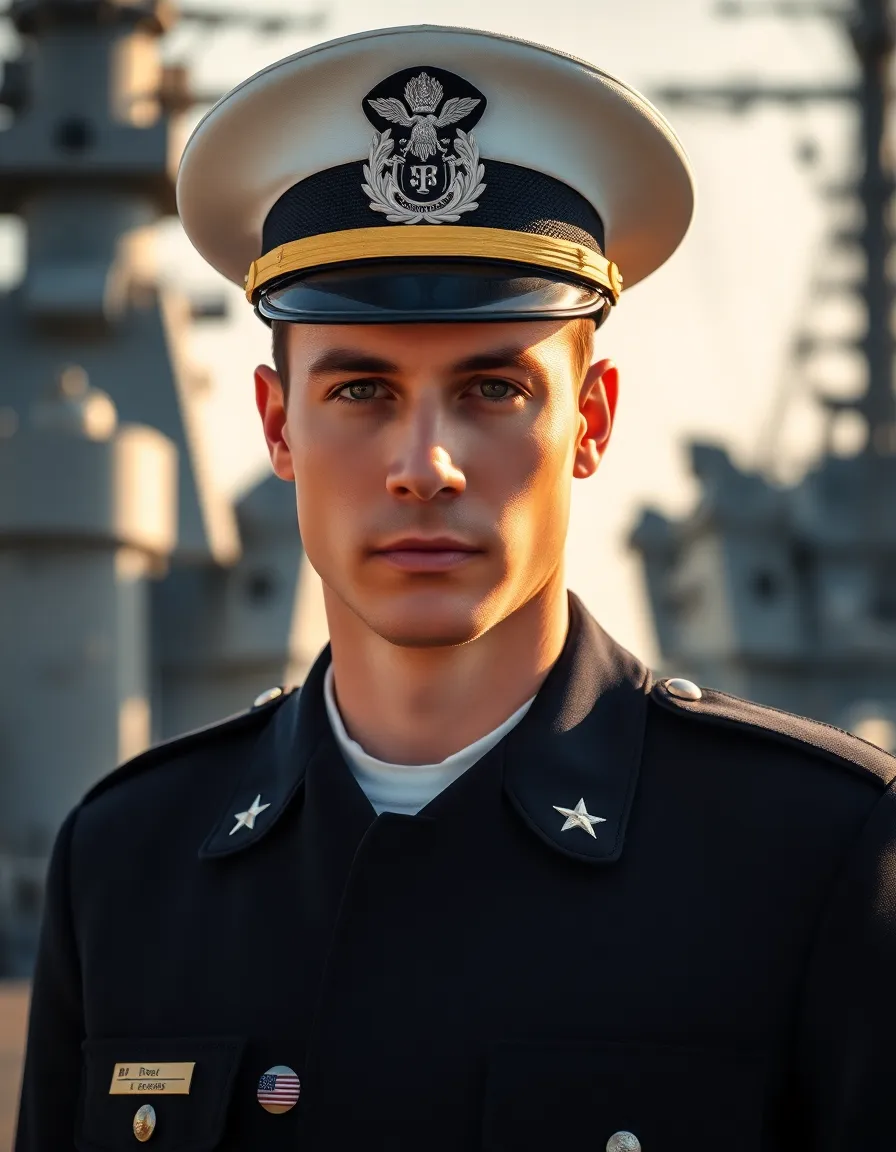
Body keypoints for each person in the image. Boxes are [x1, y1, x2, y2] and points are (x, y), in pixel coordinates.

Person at [15, 25, 896, 1152]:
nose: (424, 465)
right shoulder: (124, 867)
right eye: (361, 390)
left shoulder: (816, 854)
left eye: (492, 388)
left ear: (592, 420)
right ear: (277, 425)